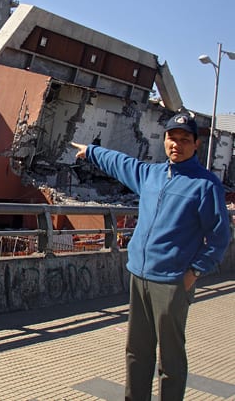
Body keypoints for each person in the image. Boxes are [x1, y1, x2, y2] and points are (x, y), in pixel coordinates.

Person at [71, 112, 230, 401]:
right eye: (172, 138)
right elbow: (121, 163)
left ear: (196, 144)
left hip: (172, 282)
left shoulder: (205, 185)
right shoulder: (151, 175)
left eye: (184, 140)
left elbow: (220, 237)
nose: (176, 145)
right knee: (136, 351)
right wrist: (91, 151)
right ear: (165, 140)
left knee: (170, 359)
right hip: (140, 276)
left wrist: (194, 272)